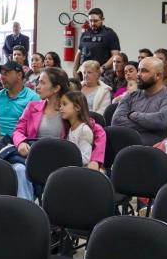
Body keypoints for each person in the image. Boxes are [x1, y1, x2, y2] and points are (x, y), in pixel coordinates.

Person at [11, 68, 106, 199]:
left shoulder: (68, 109)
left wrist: (95, 160)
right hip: (33, 157)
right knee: (19, 169)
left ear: (56, 88)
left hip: (58, 161)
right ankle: (26, 208)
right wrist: (21, 142)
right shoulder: (32, 107)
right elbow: (18, 130)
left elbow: (99, 131)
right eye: (38, 82)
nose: (37, 86)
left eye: (42, 82)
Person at [110, 57, 167, 145]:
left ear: (158, 75)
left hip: (152, 149)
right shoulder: (131, 95)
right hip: (125, 143)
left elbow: (162, 121)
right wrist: (150, 126)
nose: (138, 75)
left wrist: (133, 115)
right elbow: (116, 121)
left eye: (144, 71)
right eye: (138, 70)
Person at [0, 61, 41, 143]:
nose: (2, 77)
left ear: (19, 75)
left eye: (6, 73)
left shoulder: (33, 98)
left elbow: (33, 131)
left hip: (19, 143)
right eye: (1, 74)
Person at [60, 91, 102, 165]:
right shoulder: (70, 128)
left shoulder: (84, 130)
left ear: (77, 107)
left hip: (79, 169)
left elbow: (85, 159)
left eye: (64, 104)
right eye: (60, 105)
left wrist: (65, 159)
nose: (61, 108)